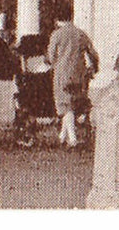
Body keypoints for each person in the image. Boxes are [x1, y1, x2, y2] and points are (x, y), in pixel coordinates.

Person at [47, 14, 99, 147]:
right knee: (73, 103)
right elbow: (93, 53)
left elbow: (51, 57)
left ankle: (72, 138)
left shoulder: (57, 34)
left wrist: (53, 64)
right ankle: (62, 137)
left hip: (62, 74)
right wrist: (94, 67)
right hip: (79, 75)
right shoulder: (81, 34)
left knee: (65, 105)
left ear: (57, 20)